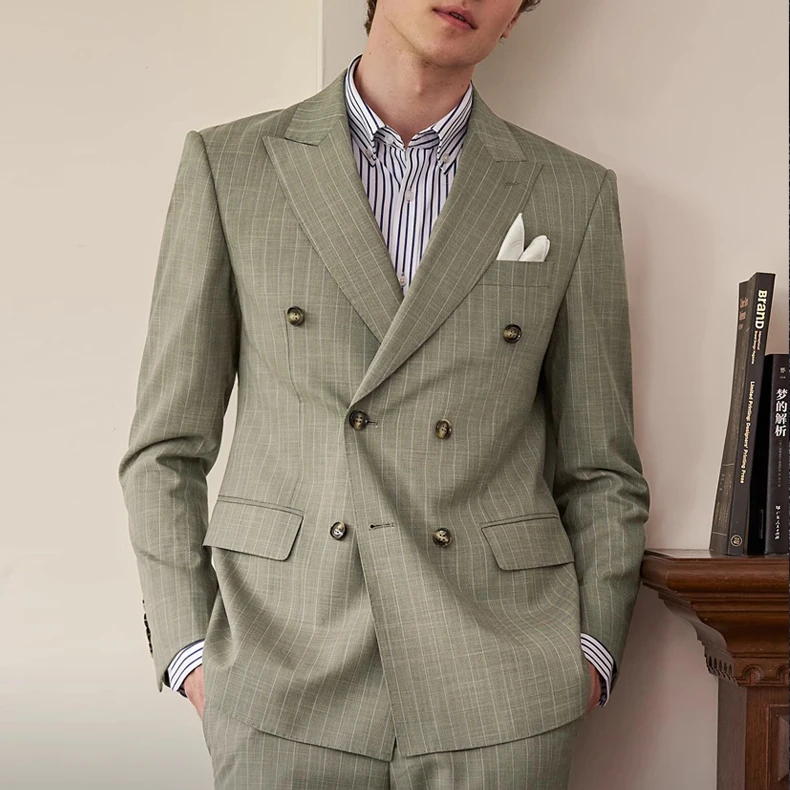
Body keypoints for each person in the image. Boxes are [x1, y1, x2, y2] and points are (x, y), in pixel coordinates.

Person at [118, 0, 650, 786]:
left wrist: (591, 652)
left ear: (516, 17)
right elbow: (166, 447)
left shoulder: (571, 192)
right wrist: (192, 653)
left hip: (502, 680)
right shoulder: (232, 166)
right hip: (281, 667)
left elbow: (602, 467)